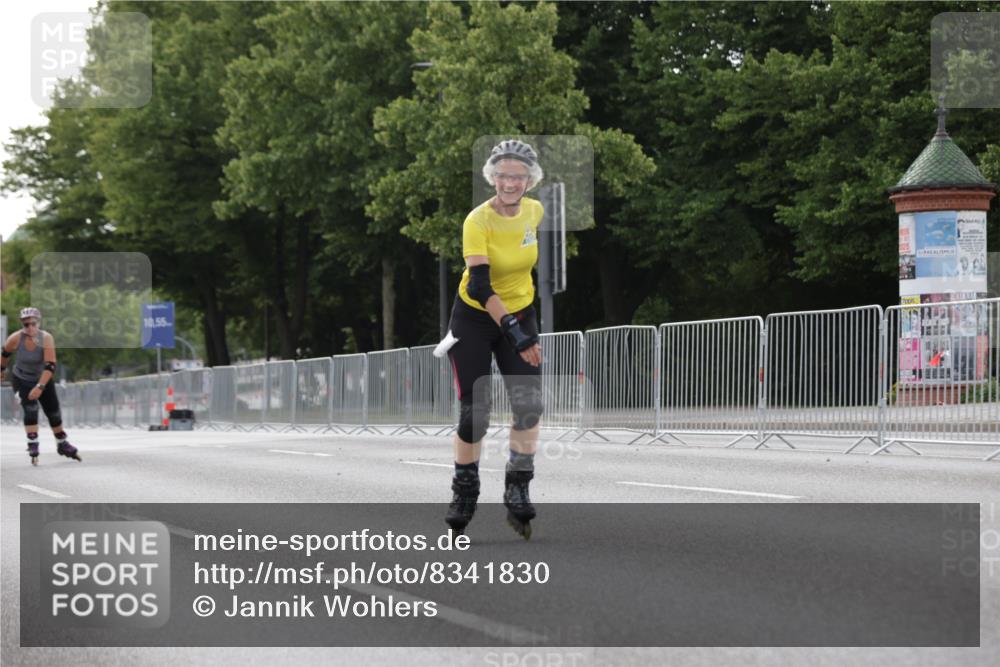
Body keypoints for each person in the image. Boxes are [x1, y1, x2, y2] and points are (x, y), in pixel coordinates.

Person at [443, 139, 545, 539]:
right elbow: (482, 286)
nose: (510, 182)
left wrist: (521, 327)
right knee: (475, 414)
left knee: (529, 406)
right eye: (503, 174)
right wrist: (517, 335)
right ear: (492, 177)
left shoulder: (535, 212)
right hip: (474, 316)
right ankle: (464, 491)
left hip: (520, 311)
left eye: (518, 175)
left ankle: (517, 487)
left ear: (529, 181)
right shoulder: (476, 221)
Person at [1, 307, 81, 464]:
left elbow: (50, 366)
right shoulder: (15, 338)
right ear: (22, 324)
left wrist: (40, 387)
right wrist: (1, 369)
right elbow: (4, 354)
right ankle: (33, 443)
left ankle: (62, 443)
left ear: (39, 323)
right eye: (26, 325)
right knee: (31, 409)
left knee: (53, 412)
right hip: (21, 379)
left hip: (43, 378)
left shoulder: (46, 338)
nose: (30, 328)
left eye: (33, 324)